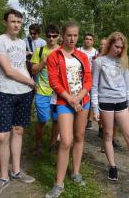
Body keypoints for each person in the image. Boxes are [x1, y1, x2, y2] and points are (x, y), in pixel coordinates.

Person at [91, 32, 129, 183]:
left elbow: (127, 85)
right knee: (108, 135)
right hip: (105, 102)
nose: (119, 50)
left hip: (121, 102)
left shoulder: (123, 61)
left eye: (121, 47)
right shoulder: (99, 62)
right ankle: (112, 167)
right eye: (117, 46)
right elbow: (94, 86)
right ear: (110, 44)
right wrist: (95, 108)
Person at [0, 9, 36, 197]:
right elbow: (8, 71)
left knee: (18, 131)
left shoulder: (23, 42)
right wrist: (31, 82)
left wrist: (28, 81)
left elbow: (22, 66)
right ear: (5, 22)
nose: (16, 25)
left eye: (19, 22)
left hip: (23, 93)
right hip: (5, 93)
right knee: (2, 136)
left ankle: (16, 171)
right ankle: (3, 177)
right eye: (13, 21)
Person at [45, 22, 92, 198]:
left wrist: (79, 97)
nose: (72, 39)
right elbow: (54, 81)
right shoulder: (54, 56)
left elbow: (88, 79)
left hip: (83, 101)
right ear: (63, 36)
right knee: (65, 141)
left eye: (75, 35)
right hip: (64, 102)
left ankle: (76, 172)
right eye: (69, 35)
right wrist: (71, 99)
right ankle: (58, 184)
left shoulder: (82, 56)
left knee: (79, 137)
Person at [31, 24, 60, 156]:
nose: (51, 39)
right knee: (42, 120)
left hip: (58, 94)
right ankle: (37, 144)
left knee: (56, 121)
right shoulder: (40, 50)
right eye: (49, 36)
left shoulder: (62, 51)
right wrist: (43, 62)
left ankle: (53, 143)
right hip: (42, 92)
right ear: (46, 37)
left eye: (54, 36)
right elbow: (33, 70)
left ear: (58, 36)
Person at [78, 33, 98, 131]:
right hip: (79, 78)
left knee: (90, 98)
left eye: (90, 39)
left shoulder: (96, 52)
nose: (88, 41)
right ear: (84, 40)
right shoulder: (78, 50)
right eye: (86, 39)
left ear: (93, 41)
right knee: (79, 97)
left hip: (92, 77)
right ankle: (78, 116)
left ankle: (89, 119)